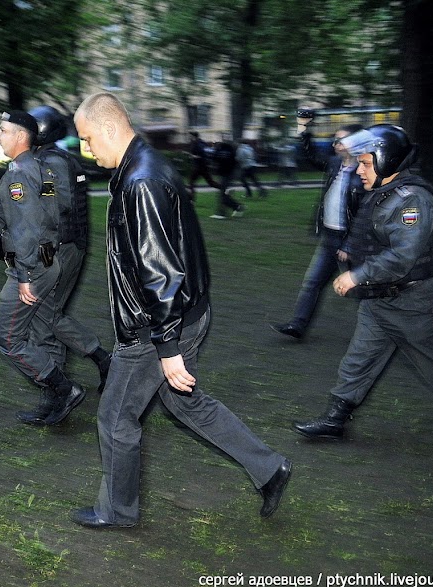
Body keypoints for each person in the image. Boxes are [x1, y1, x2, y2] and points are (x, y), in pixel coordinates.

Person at [70, 93, 291, 528]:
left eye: (89, 139)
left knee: (116, 416)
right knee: (186, 403)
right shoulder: (143, 167)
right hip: (185, 315)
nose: (88, 150)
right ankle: (269, 469)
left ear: (110, 128)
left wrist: (165, 346)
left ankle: (117, 512)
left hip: (158, 327)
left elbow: (160, 273)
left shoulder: (141, 181)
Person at [293, 125, 433, 453]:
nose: (359, 169)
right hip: (380, 299)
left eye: (367, 163)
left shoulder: (413, 199)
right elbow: (365, 227)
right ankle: (335, 419)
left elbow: (404, 256)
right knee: (358, 359)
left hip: (416, 301)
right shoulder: (382, 191)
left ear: (387, 161)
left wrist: (356, 275)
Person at [13, 105, 110, 425]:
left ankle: (64, 388)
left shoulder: (51, 162)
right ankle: (70, 383)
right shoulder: (52, 159)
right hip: (63, 247)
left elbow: (58, 208)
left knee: (43, 318)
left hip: (59, 249)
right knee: (46, 318)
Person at [0, 110, 85, 426]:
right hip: (48, 261)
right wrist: (46, 263)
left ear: (20, 136)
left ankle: (64, 389)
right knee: (45, 330)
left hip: (32, 268)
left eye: (2, 130)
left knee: (10, 341)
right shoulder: (42, 170)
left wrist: (25, 275)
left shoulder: (20, 174)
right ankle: (56, 397)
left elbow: (29, 230)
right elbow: (53, 217)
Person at [270, 121, 364, 339]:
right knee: (312, 283)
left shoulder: (364, 171)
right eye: (336, 139)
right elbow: (309, 157)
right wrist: (303, 131)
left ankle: (386, 329)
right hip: (329, 237)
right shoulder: (334, 164)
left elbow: (365, 213)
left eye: (341, 139)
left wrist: (350, 244)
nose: (336, 143)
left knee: (361, 290)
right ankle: (297, 325)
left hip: (351, 241)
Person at [210, 137, 245, 219]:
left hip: (223, 175)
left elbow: (214, 159)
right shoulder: (231, 151)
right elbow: (235, 163)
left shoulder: (219, 151)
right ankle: (228, 210)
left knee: (222, 195)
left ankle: (236, 207)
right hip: (229, 174)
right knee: (222, 194)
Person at [186, 131, 218, 200]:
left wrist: (193, 156)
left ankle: (192, 198)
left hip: (199, 166)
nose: (189, 138)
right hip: (203, 166)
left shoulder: (198, 144)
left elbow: (202, 155)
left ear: (193, 136)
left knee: (191, 181)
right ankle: (224, 188)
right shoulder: (200, 143)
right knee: (211, 183)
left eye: (190, 136)